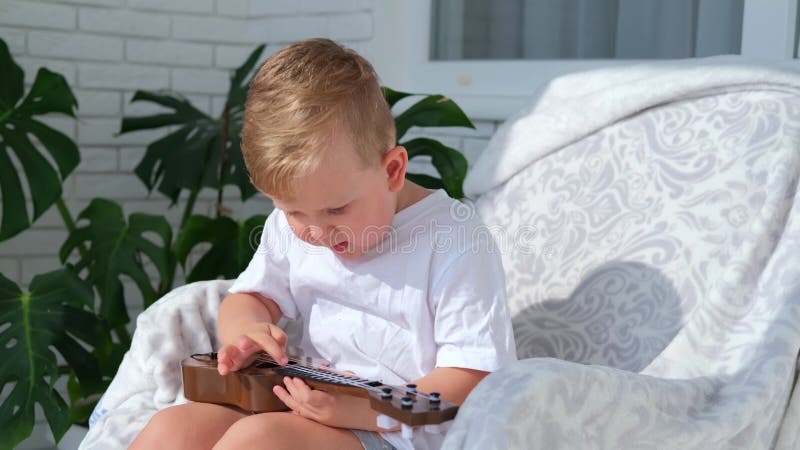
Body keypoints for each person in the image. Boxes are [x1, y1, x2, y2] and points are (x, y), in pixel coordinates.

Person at [129, 38, 516, 450]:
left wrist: (360, 410)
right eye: (294, 213)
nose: (316, 233)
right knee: (171, 431)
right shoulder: (300, 221)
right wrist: (246, 332)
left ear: (392, 171)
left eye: (336, 211)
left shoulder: (454, 239)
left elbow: (471, 379)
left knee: (257, 442)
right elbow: (249, 297)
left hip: (397, 430)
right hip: (304, 404)